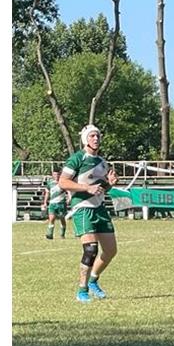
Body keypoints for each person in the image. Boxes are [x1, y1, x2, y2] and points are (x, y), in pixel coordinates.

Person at [58, 125, 119, 302]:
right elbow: (63, 182)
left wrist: (110, 184)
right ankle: (82, 291)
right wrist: (86, 188)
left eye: (98, 136)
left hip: (99, 208)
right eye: (92, 136)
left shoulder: (102, 162)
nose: (96, 139)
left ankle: (93, 280)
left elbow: (101, 189)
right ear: (85, 139)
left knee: (111, 251)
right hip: (82, 208)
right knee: (91, 249)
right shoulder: (77, 159)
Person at [42, 170, 68, 240]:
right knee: (51, 219)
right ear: (52, 175)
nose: (56, 176)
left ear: (60, 175)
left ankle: (62, 235)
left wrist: (69, 199)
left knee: (62, 219)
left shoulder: (63, 183)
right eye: (55, 174)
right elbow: (47, 193)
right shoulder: (50, 183)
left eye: (58, 174)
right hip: (52, 203)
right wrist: (45, 202)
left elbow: (69, 192)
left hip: (61, 203)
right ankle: (50, 235)